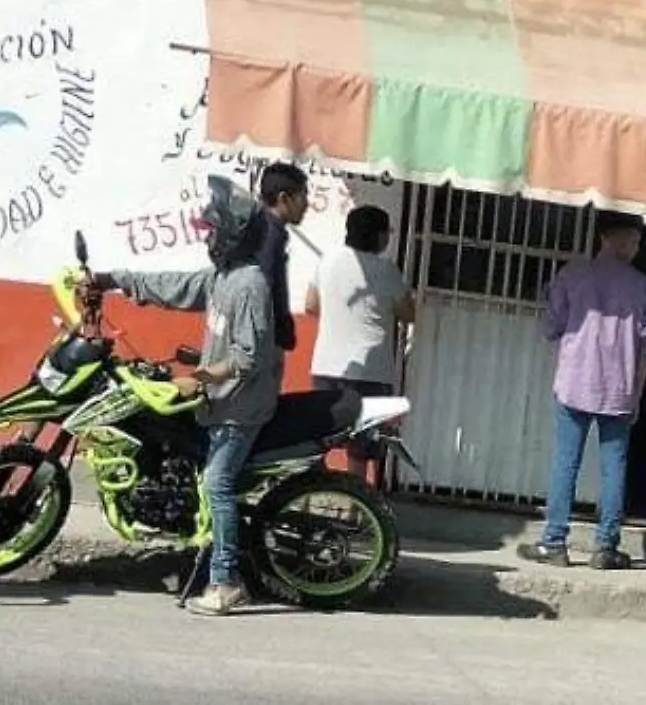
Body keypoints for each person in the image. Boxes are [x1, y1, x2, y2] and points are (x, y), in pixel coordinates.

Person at [80, 176, 279, 616]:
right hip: (220, 400)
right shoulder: (224, 277)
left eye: (212, 232)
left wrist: (202, 378)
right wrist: (112, 280)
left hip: (239, 407)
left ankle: (227, 582)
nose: (207, 239)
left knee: (216, 484)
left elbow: (249, 357)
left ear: (230, 235)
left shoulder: (250, 285)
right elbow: (175, 286)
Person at [517, 210, 646, 572]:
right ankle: (605, 547)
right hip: (620, 389)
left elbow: (552, 327)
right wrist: (638, 395)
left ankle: (555, 542)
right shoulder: (644, 288)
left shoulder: (571, 275)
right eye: (635, 240)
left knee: (566, 462)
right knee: (615, 466)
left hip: (574, 383)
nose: (638, 247)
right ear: (619, 239)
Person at [306, 204, 415, 400]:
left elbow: (310, 305)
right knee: (363, 428)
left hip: (325, 366)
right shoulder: (386, 269)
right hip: (370, 371)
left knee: (327, 429)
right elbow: (408, 313)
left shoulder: (327, 261)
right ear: (380, 236)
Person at [256, 162, 310, 355]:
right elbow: (263, 290)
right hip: (262, 345)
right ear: (284, 198)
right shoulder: (269, 235)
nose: (307, 204)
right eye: (303, 195)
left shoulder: (261, 228)